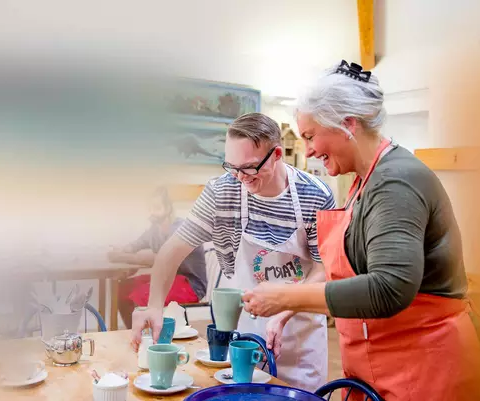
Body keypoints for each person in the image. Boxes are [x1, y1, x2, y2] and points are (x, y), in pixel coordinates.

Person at [239, 61, 480, 401]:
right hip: (381, 364)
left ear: (347, 125)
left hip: (423, 367)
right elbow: (345, 272)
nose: (309, 150)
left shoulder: (396, 181)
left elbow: (390, 288)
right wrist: (287, 311)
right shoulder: (363, 182)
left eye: (311, 136)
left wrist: (283, 296)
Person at [129, 113, 336, 391]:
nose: (240, 178)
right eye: (232, 167)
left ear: (276, 154)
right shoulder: (221, 192)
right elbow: (171, 251)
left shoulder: (316, 195)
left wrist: (285, 309)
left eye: (249, 168)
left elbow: (324, 268)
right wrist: (154, 305)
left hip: (299, 331)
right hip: (244, 331)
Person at [106, 187, 208, 326]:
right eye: (150, 208)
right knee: (123, 288)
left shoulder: (180, 228)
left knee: (142, 296)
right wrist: (121, 249)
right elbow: (136, 245)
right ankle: (133, 332)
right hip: (168, 277)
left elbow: (160, 259)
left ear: (168, 208)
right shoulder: (154, 230)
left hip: (190, 284)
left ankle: (149, 338)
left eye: (157, 207)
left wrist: (120, 257)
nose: (152, 212)